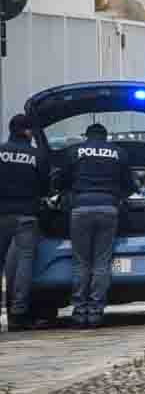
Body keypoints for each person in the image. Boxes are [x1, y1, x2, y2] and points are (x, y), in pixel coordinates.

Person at [62, 123, 137, 327]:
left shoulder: (74, 151)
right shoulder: (118, 153)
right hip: (108, 209)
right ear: (106, 137)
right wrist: (117, 198)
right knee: (101, 262)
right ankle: (95, 311)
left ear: (87, 136)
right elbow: (131, 185)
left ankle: (79, 311)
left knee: (81, 262)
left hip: (80, 209)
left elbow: (61, 182)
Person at [0, 115, 50, 331]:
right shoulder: (36, 154)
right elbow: (45, 187)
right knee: (22, 266)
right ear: (27, 132)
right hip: (26, 216)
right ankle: (18, 315)